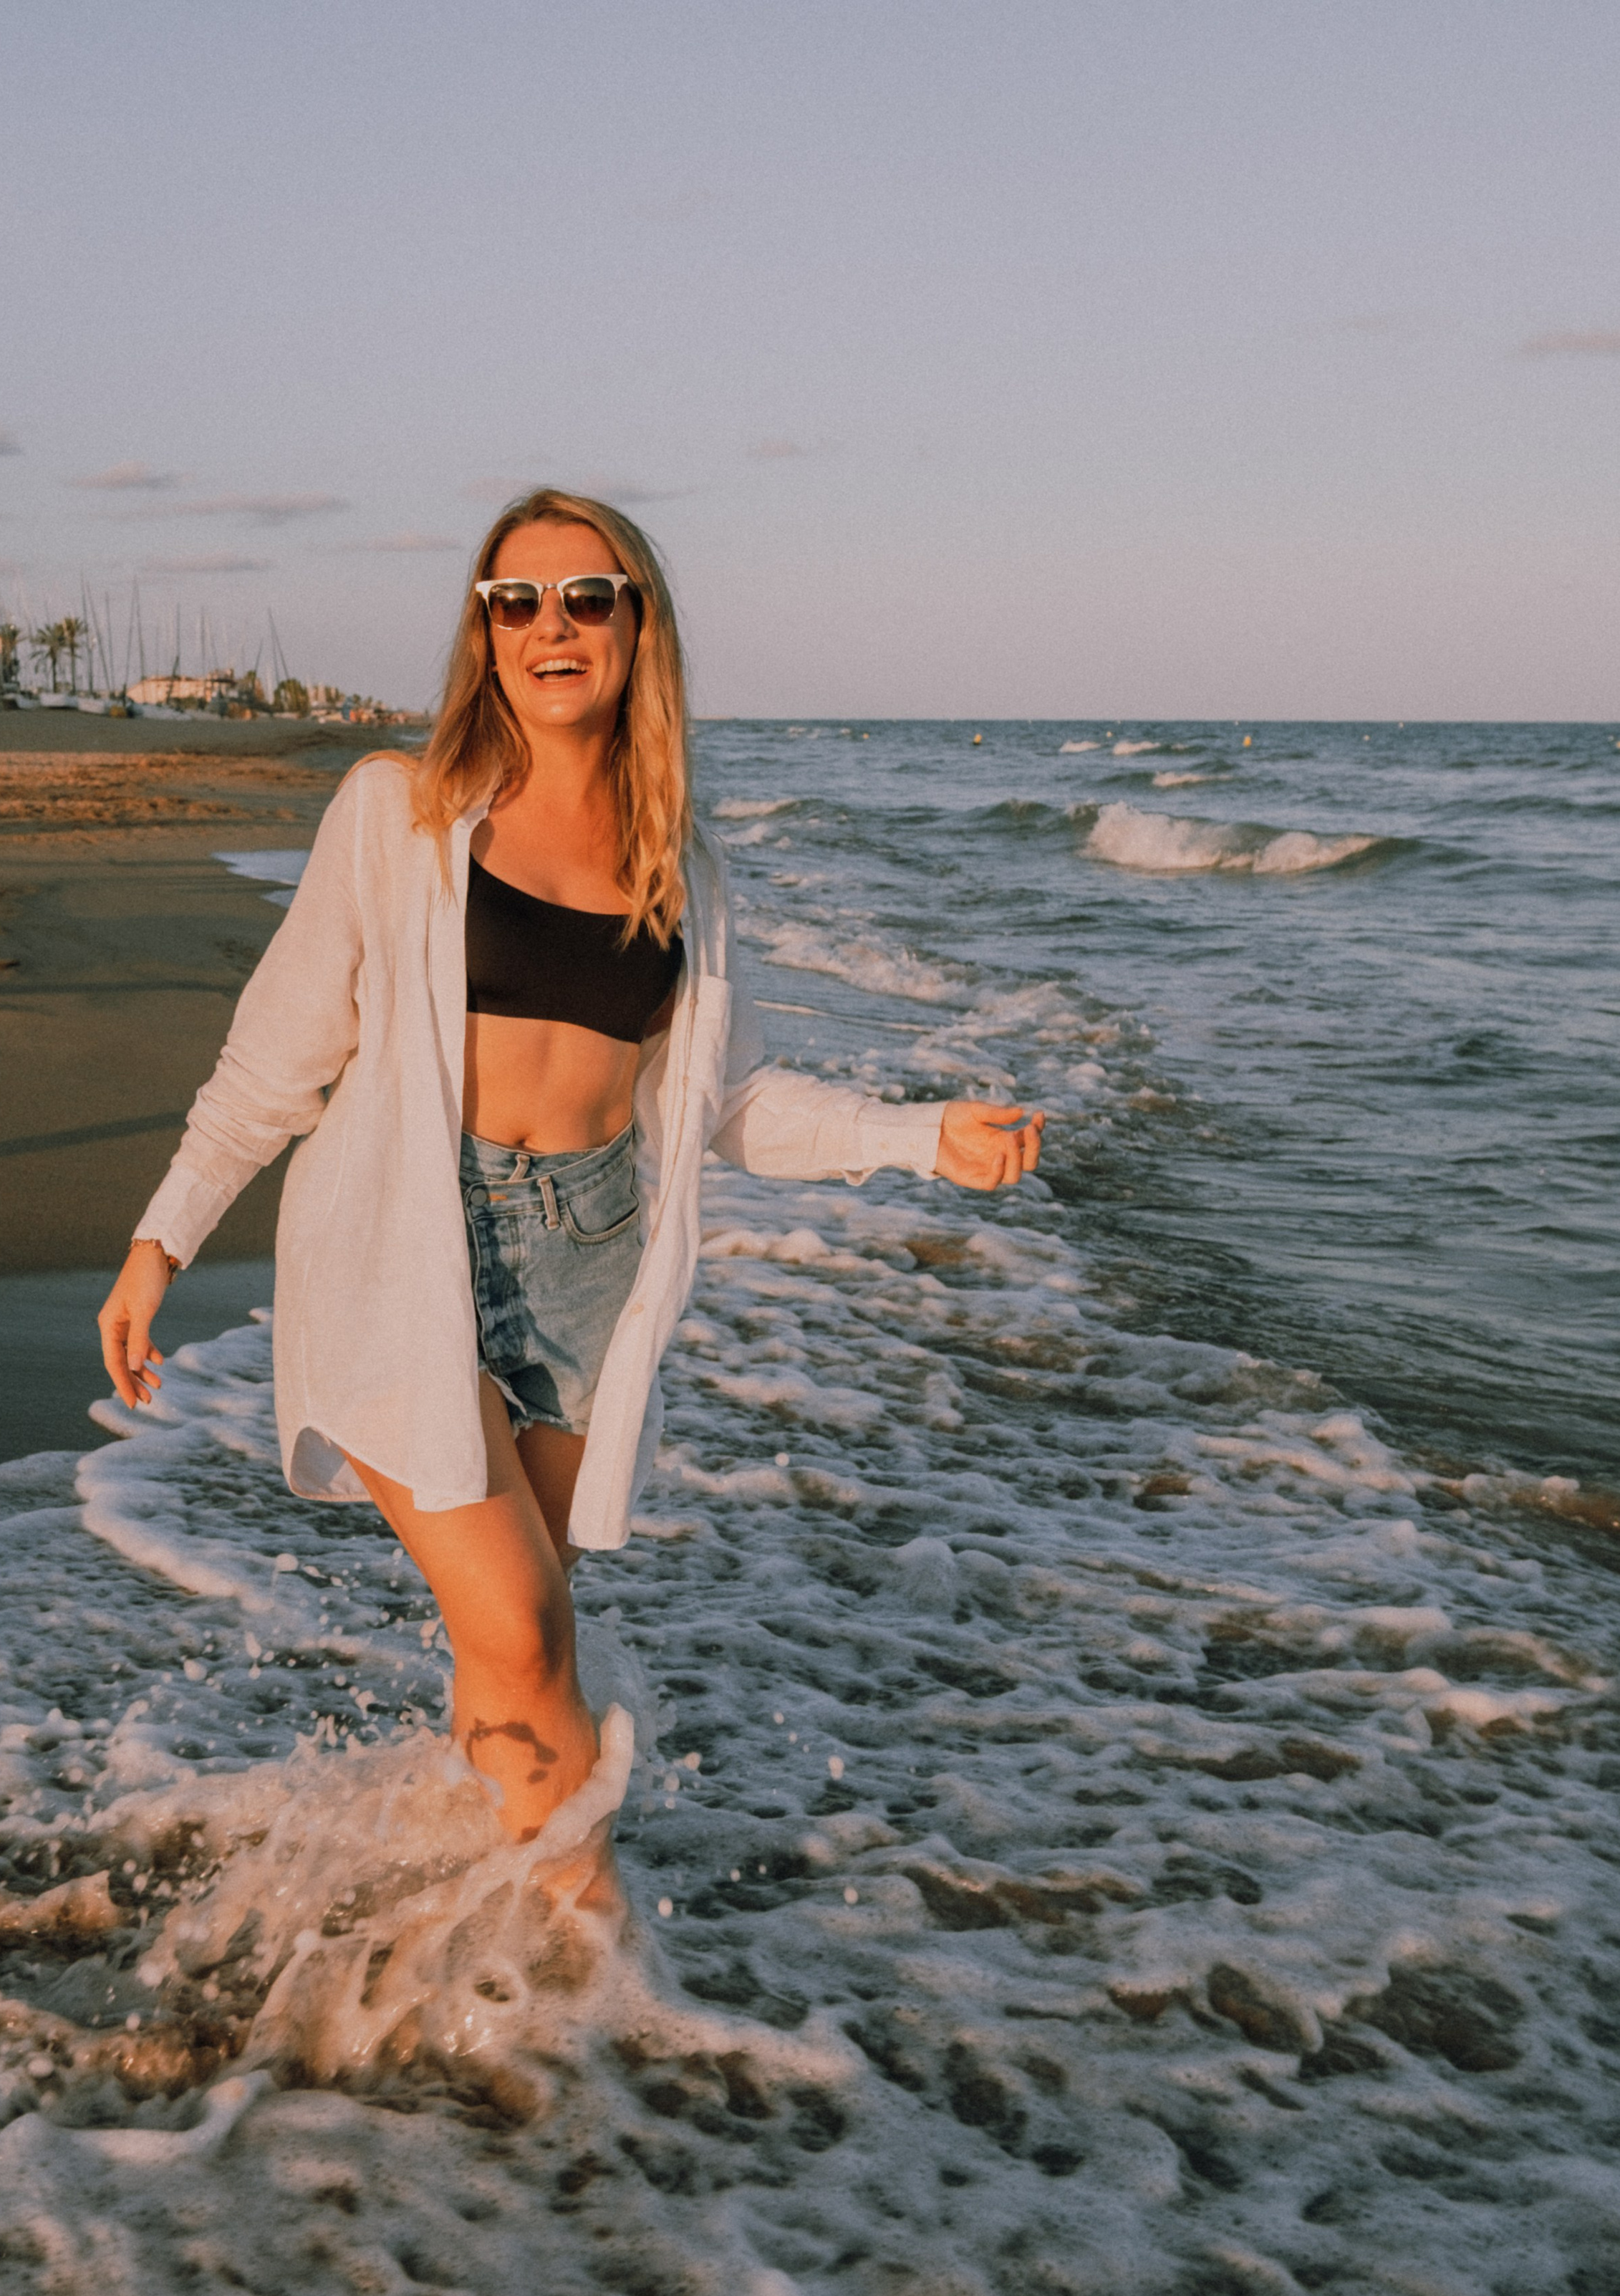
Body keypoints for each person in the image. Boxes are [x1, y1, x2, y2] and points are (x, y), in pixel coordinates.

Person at [97, 489, 1041, 1883]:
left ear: (633, 625)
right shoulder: (396, 814)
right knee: (530, 1634)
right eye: (514, 602)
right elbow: (276, 1056)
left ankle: (470, 1916)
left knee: (515, 1633)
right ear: (483, 638)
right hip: (407, 1254)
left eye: (583, 598)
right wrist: (160, 1239)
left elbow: (725, 1103)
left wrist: (915, 1137)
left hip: (589, 1258)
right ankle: (586, 1968)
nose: (550, 625)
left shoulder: (681, 868)